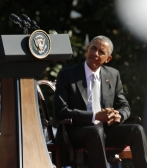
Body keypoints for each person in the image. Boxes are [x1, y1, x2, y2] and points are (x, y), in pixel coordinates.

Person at [54, 35, 147, 168]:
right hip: (76, 132)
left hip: (106, 130)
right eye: (93, 49)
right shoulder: (67, 75)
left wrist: (118, 115)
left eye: (101, 52)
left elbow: (124, 105)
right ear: (87, 49)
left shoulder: (113, 75)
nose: (95, 54)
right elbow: (60, 112)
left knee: (137, 129)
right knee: (95, 132)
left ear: (108, 59)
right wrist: (95, 116)